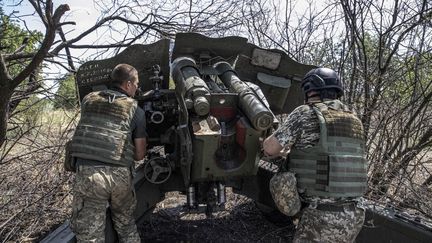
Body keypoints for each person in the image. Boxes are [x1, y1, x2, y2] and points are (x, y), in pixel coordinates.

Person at [263, 67, 367, 243]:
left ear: (310, 89)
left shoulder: (306, 112)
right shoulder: (354, 119)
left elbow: (270, 149)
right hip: (355, 214)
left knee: (280, 180)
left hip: (322, 216)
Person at [69, 63, 147, 242]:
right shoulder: (137, 111)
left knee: (90, 234)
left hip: (90, 175)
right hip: (120, 178)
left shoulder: (88, 100)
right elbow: (139, 155)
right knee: (126, 226)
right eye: (136, 84)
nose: (137, 88)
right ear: (128, 84)